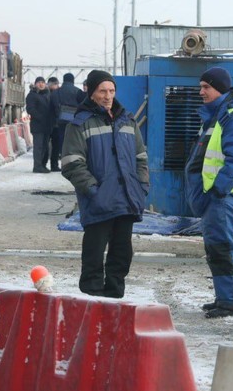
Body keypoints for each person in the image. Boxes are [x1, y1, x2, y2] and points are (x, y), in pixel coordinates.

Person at [61, 70, 149, 298]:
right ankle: (91, 298)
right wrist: (93, 190)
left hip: (127, 198)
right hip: (98, 200)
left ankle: (115, 295)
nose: (108, 96)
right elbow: (72, 163)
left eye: (111, 90)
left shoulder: (127, 120)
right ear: (91, 93)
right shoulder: (79, 124)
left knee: (122, 253)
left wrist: (141, 186)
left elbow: (141, 157)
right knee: (94, 253)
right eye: (102, 91)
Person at [185, 67, 233, 318]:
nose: (201, 92)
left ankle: (232, 301)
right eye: (201, 86)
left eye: (206, 87)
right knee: (217, 247)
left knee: (224, 247)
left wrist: (218, 189)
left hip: (223, 195)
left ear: (220, 88)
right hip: (217, 195)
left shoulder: (232, 115)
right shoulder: (218, 114)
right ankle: (225, 298)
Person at [52, 73, 86, 171]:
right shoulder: (77, 91)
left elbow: (53, 105)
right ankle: (71, 164)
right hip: (74, 121)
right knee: (73, 142)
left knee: (61, 142)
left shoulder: (56, 92)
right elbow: (82, 105)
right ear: (72, 80)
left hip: (60, 121)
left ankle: (62, 162)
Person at [25, 76, 56, 173]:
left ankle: (43, 165)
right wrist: (40, 117)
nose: (41, 84)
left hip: (47, 125)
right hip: (37, 125)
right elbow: (30, 109)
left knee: (45, 146)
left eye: (43, 82)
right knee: (38, 147)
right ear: (35, 84)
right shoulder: (32, 95)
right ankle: (37, 166)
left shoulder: (48, 94)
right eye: (39, 82)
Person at [47, 77, 62, 171]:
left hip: (56, 124)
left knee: (56, 146)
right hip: (47, 124)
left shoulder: (59, 94)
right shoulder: (45, 93)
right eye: (52, 84)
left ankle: (54, 165)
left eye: (55, 84)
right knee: (45, 146)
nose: (54, 86)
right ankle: (42, 165)